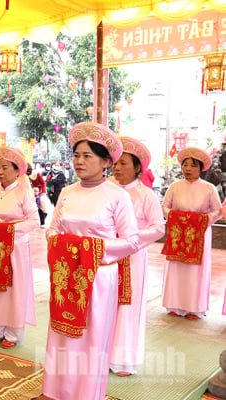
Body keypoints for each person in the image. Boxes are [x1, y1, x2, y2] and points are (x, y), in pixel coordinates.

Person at [41, 122, 139, 400]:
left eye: (87, 156)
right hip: (66, 274)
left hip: (98, 277)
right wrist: (66, 247)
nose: (79, 162)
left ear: (107, 162)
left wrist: (91, 251)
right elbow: (52, 230)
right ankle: (54, 391)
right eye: (76, 155)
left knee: (91, 339)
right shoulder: (68, 192)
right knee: (61, 334)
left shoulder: (117, 196)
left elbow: (131, 241)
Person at [109, 137, 165, 377]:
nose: (117, 168)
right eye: (115, 163)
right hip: (104, 256)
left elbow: (158, 228)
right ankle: (100, 353)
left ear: (138, 167)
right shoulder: (105, 191)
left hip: (132, 259)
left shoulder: (146, 196)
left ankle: (123, 359)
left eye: (124, 163)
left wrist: (128, 239)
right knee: (103, 303)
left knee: (128, 307)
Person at [0, 147, 39, 349]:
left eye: (5, 168)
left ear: (17, 171)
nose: (0, 172)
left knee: (14, 289)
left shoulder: (24, 193)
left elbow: (34, 221)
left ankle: (13, 333)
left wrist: (8, 230)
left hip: (16, 247)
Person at [161, 147, 220, 320]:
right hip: (178, 233)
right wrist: (179, 219)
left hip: (199, 234)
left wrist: (198, 222)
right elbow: (165, 206)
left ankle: (195, 308)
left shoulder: (209, 188)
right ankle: (174, 305)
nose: (187, 168)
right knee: (176, 269)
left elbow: (217, 211)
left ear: (200, 168)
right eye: (185, 165)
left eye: (192, 166)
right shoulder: (175, 186)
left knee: (196, 271)